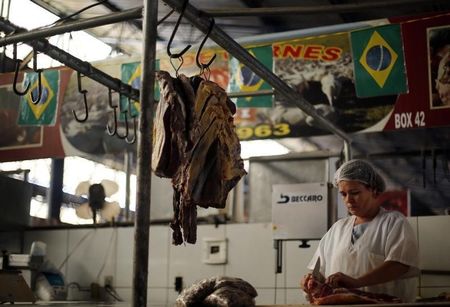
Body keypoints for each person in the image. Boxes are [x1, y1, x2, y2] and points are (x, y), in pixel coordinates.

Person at [301, 159, 420, 302]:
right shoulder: (337, 228)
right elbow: (318, 273)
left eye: (355, 192)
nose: (348, 200)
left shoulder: (393, 222)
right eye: (343, 194)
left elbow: (399, 264)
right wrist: (309, 281)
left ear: (374, 191)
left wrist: (357, 282)